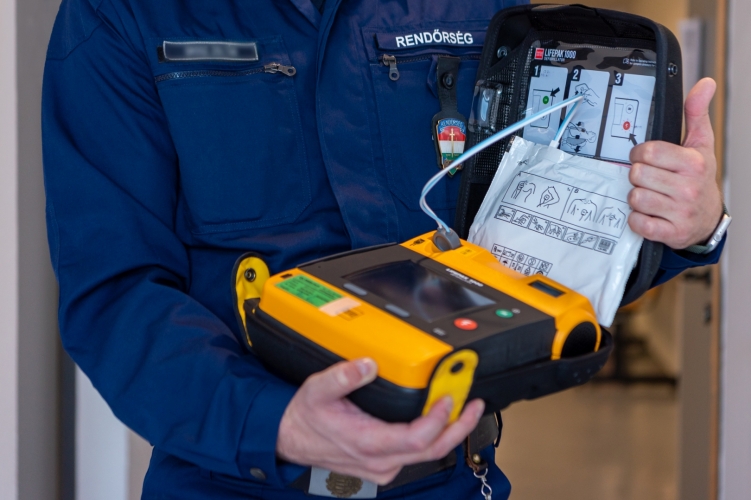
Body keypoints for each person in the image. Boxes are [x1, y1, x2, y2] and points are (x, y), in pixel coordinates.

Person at [41, 0, 726, 498]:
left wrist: (681, 226)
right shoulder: (120, 14)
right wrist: (274, 423)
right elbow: (114, 291)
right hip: (232, 479)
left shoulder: (479, 8)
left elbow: (527, 259)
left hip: (452, 480)